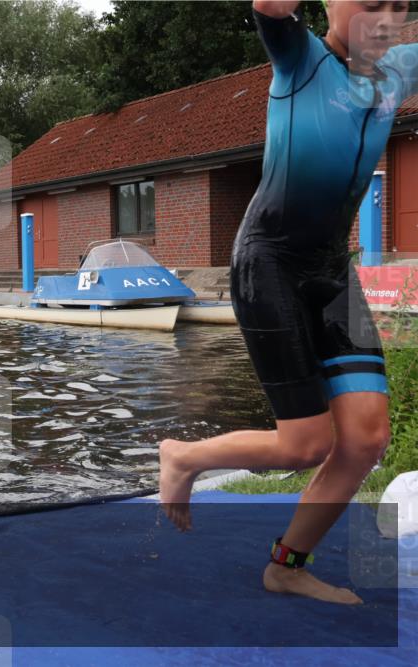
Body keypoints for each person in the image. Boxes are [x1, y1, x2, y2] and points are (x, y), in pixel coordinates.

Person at [158, 0, 417, 604]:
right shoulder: (299, 58)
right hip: (269, 262)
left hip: (331, 271)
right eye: (370, 3)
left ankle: (287, 566)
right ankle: (184, 455)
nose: (386, 18)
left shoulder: (399, 71)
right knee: (306, 445)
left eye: (399, 6)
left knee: (365, 439)